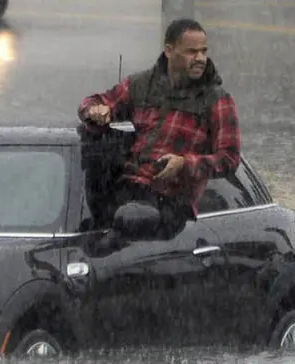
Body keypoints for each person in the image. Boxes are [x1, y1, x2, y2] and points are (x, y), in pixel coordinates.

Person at [77, 18, 241, 236]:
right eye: (192, 52)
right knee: (92, 138)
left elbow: (229, 159)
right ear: (169, 51)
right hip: (125, 188)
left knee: (120, 231)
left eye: (204, 51)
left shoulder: (217, 100)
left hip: (170, 202)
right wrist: (96, 111)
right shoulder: (141, 85)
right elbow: (91, 102)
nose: (200, 58)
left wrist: (184, 164)